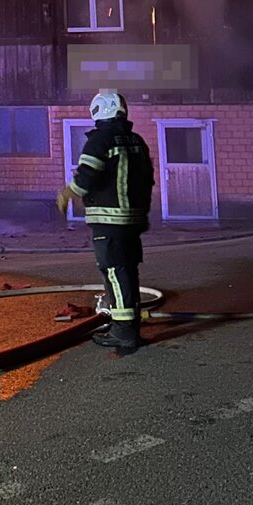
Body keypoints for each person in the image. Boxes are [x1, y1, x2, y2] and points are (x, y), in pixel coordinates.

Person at [56, 91, 155, 356]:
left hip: (109, 220)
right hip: (132, 219)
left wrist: (68, 193)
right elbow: (148, 180)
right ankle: (127, 324)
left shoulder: (101, 139)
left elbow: (87, 174)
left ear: (99, 111)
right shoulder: (136, 141)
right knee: (127, 271)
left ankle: (123, 333)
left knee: (114, 271)